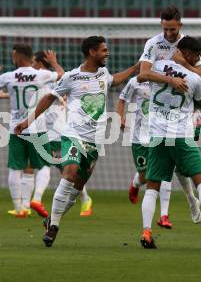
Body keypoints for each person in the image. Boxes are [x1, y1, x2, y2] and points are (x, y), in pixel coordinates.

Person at [15, 36, 139, 247]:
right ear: (92, 52)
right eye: (103, 50)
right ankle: (54, 227)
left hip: (95, 142)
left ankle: (51, 220)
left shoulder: (103, 74)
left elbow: (115, 79)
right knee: (70, 173)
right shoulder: (72, 76)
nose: (107, 53)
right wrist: (28, 122)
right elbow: (48, 98)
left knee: (77, 189)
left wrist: (137, 67)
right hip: (73, 135)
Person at [138, 36, 201, 248]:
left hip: (157, 136)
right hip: (180, 135)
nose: (197, 59)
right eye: (195, 55)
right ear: (185, 52)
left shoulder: (157, 66)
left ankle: (146, 232)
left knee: (153, 186)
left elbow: (142, 75)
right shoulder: (194, 79)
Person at [0, 44, 63, 218]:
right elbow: (62, 76)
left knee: (15, 168)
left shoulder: (8, 76)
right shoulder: (41, 74)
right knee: (43, 166)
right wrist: (54, 63)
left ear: (19, 57)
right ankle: (36, 199)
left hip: (16, 129)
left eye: (13, 55)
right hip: (37, 127)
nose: (12, 58)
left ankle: (19, 207)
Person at [30, 50, 93, 217]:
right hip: (46, 130)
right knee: (62, 170)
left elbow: (63, 76)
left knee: (63, 170)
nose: (31, 66)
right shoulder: (39, 83)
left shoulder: (54, 81)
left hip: (58, 131)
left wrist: (54, 63)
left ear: (40, 64)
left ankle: (38, 199)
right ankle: (85, 199)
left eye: (34, 62)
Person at [117, 77, 182, 228]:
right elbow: (122, 98)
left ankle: (164, 215)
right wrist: (120, 117)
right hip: (140, 138)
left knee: (165, 173)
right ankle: (135, 184)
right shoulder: (136, 81)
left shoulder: (167, 81)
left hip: (161, 134)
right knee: (146, 176)